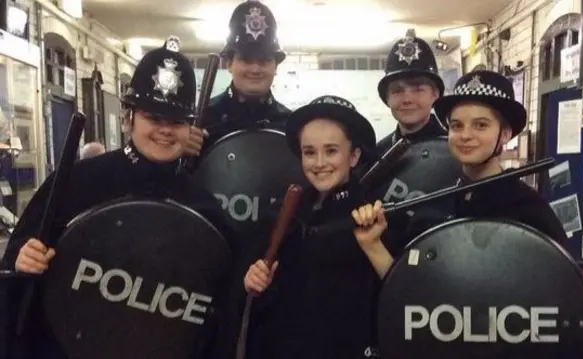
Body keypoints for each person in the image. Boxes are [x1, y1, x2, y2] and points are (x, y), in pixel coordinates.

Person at [0, 36, 233, 359]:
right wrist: (23, 258)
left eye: (177, 121)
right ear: (128, 119)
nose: (165, 130)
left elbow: (217, 305)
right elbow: (18, 262)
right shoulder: (75, 182)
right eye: (154, 118)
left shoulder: (202, 207)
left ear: (189, 128)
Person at [351, 71, 568, 278]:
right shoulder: (435, 197)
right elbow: (407, 285)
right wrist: (372, 245)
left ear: (505, 134)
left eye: (480, 125)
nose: (465, 135)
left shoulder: (527, 208)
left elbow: (560, 284)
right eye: (457, 125)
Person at [243, 96, 397, 359]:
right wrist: (251, 281)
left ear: (354, 155)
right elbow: (257, 294)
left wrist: (373, 247)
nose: (319, 163)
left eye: (331, 150)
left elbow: (401, 297)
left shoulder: (376, 218)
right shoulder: (284, 213)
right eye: (310, 152)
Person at [373, 28, 462, 238]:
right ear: (387, 98)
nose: (407, 99)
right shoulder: (376, 154)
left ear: (435, 94)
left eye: (418, 89)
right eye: (397, 91)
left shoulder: (459, 151)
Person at [182, 0, 290, 160]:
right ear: (229, 64)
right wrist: (178, 153)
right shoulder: (201, 120)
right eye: (246, 60)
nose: (255, 69)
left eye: (264, 60)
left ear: (275, 66)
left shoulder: (291, 124)